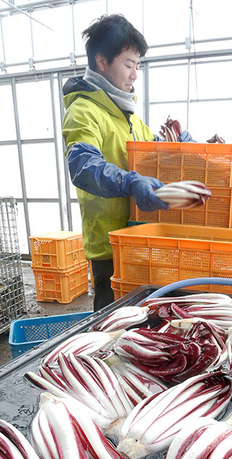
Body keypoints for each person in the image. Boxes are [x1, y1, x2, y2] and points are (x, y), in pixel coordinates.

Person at [62, 14, 168, 311]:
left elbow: (155, 149)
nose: (135, 74)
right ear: (102, 62)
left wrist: (184, 145)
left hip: (139, 237)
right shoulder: (83, 111)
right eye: (128, 64)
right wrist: (130, 181)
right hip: (109, 247)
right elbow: (83, 166)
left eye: (138, 65)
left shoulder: (129, 116)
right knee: (111, 327)